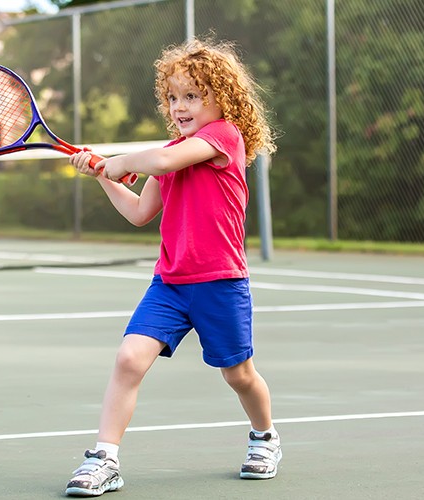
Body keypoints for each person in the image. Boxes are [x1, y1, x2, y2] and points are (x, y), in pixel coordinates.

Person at [63, 37, 279, 497]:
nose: (180, 106)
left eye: (192, 96)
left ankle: (265, 438)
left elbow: (159, 159)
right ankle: (104, 459)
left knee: (239, 374)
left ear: (222, 99)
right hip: (170, 283)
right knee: (128, 360)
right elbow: (140, 213)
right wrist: (104, 176)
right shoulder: (172, 153)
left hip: (220, 283)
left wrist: (118, 160)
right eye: (173, 97)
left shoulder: (223, 136)